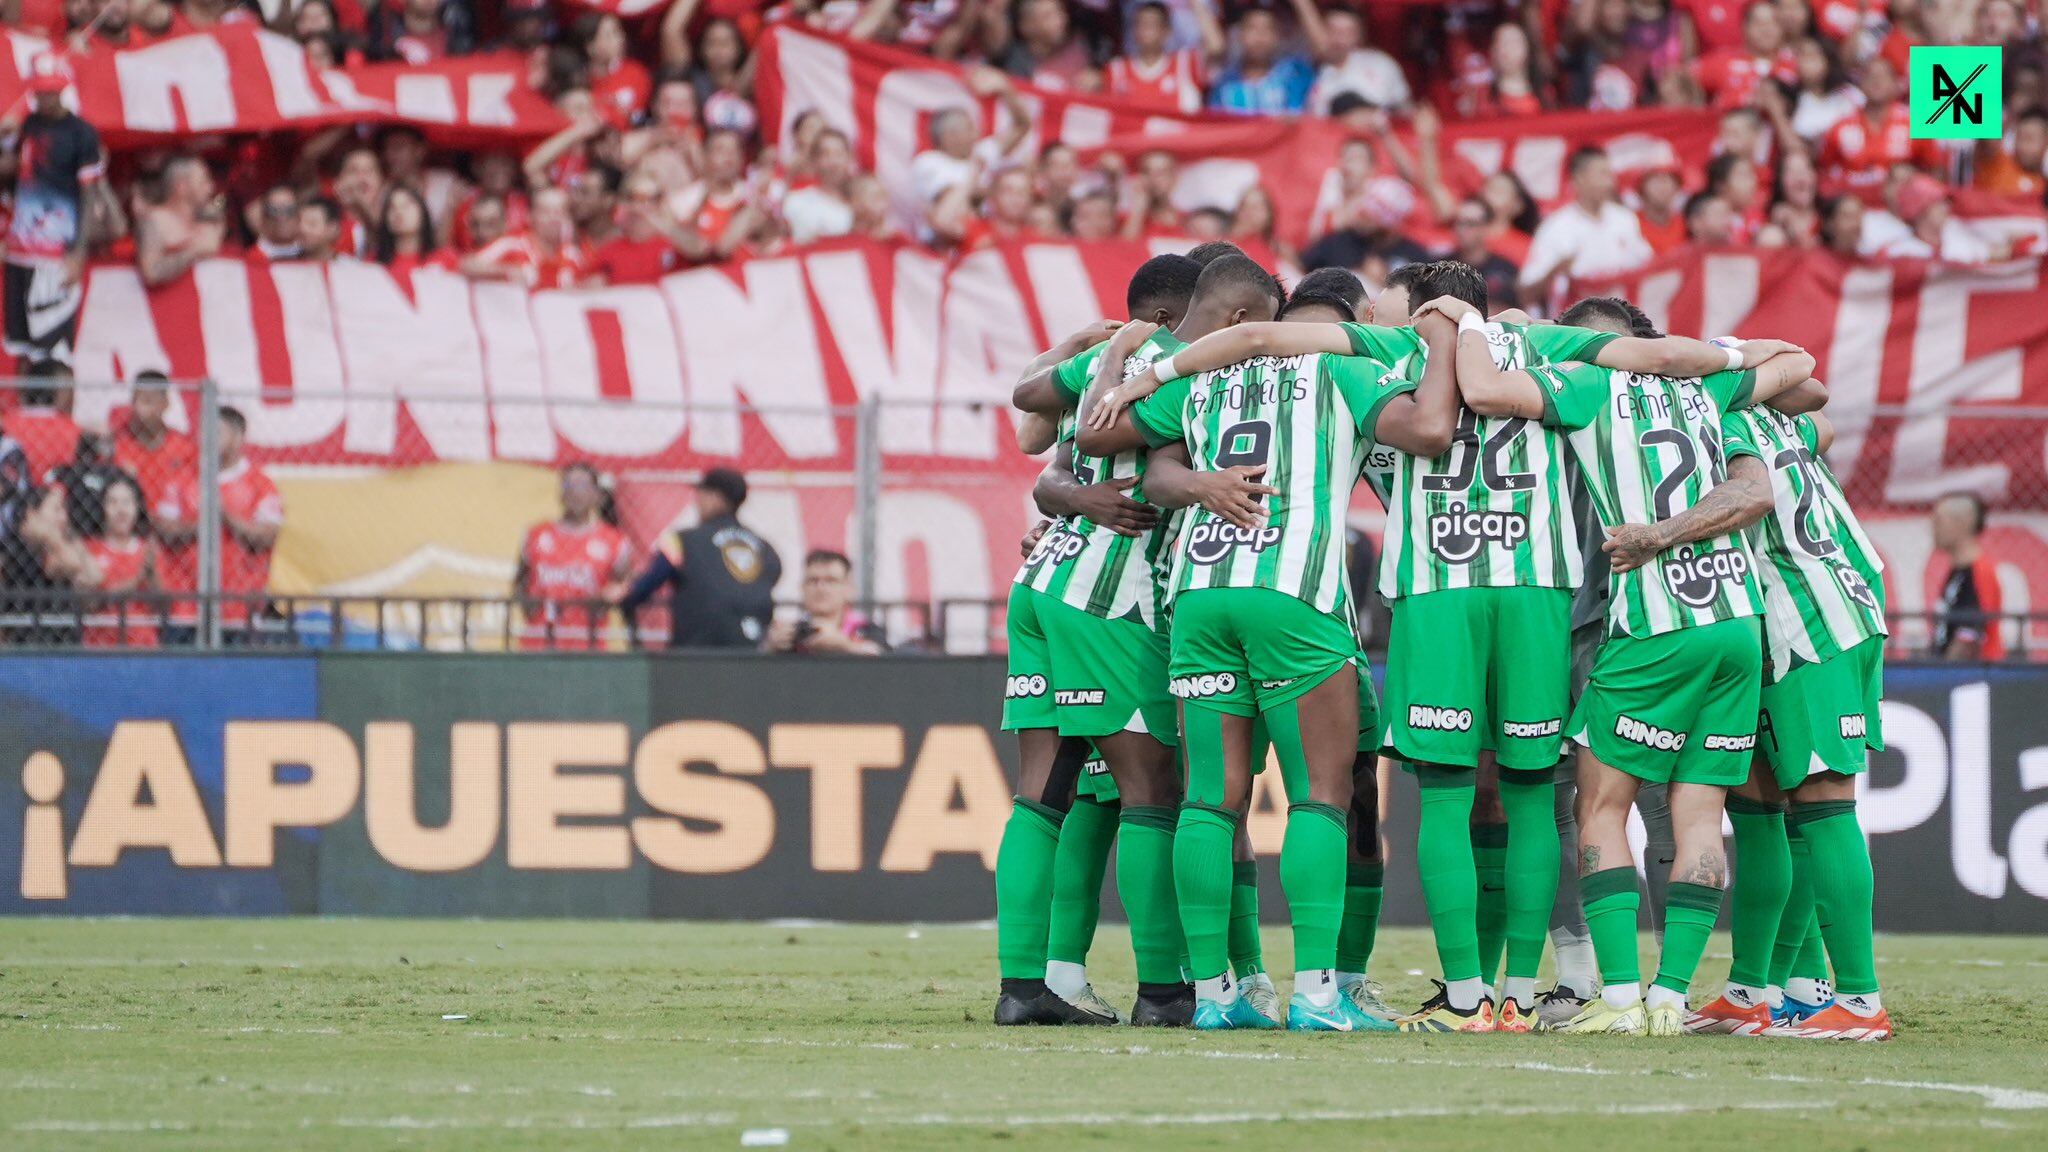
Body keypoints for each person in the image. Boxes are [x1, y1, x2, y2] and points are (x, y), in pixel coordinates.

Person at [1077, 256, 1461, 1033]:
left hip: (1201, 595)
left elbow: (1102, 434)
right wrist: (1448, 341)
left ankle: (1217, 997)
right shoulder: (1342, 369)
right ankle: (1319, 994)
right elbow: (1428, 430)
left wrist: (1123, 360)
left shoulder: (1207, 381)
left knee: (1208, 803)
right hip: (1294, 593)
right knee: (1322, 795)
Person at [1447, 293, 1816, 1036]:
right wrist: (1721, 350)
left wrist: (1475, 324)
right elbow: (1799, 364)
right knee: (1700, 815)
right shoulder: (1701, 385)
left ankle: (1616, 998)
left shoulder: (1585, 386)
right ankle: (1671, 999)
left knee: (1599, 806)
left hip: (1653, 626)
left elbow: (1484, 389)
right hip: (1735, 623)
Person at [998, 253, 1246, 1028]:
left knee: (1044, 794)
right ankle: (1165, 992)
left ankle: (1021, 986)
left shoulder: (1114, 359)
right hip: (1111, 598)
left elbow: (1033, 408)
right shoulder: (1179, 371)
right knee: (1152, 794)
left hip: (1042, 585)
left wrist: (1095, 348)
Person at [1606, 383, 1892, 1041]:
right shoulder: (1766, 415)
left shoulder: (1716, 417)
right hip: (1787, 622)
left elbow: (1755, 491)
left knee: (1822, 803)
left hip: (1813, 622)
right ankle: (1749, 991)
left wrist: (1659, 535)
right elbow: (1824, 415)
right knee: (1759, 810)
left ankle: (1857, 1000)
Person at [3, 53, 103, 366]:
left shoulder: (82, 134)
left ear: (63, 89)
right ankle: (22, 411)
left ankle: (56, 413)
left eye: (51, 90)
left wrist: (78, 254)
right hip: (19, 251)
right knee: (20, 343)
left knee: (54, 349)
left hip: (56, 253)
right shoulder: (27, 125)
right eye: (40, 90)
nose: (45, 97)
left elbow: (89, 196)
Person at [155, 406, 284, 643]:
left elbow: (266, 535)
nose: (206, 438)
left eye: (217, 432)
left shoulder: (261, 484)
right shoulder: (182, 478)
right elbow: (164, 528)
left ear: (238, 437)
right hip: (185, 608)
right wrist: (201, 523)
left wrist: (226, 516)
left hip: (240, 610)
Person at [618, 467, 781, 649]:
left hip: (695, 652)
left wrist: (627, 597)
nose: (697, 501)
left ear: (716, 498)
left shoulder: (681, 540)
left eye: (701, 494)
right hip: (752, 649)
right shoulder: (765, 548)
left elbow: (651, 580)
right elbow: (773, 574)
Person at [514, 463, 633, 651]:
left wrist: (610, 597)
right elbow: (520, 579)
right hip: (540, 643)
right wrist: (529, 607)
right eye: (568, 485)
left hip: (587, 644)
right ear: (560, 493)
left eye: (583, 486)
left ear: (597, 495)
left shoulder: (614, 542)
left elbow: (624, 584)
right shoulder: (536, 535)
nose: (575, 493)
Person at [1519, 146, 1652, 305]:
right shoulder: (1555, 227)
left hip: (1621, 320)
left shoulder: (1625, 219)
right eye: (1603, 174)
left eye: (1610, 174)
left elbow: (1648, 268)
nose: (1610, 182)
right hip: (1574, 323)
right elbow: (1525, 292)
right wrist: (1555, 271)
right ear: (1580, 178)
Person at [80, 474, 159, 648]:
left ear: (137, 507)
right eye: (113, 502)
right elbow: (90, 603)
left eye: (127, 502)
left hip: (142, 645)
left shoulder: (149, 550)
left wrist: (151, 575)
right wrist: (137, 581)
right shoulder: (89, 549)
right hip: (99, 646)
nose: (121, 510)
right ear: (102, 508)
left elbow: (161, 609)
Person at [766, 550, 887, 655]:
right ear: (802, 588)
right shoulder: (793, 634)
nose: (821, 588)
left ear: (849, 588)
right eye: (813, 581)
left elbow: (883, 660)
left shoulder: (866, 629)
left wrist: (845, 646)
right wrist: (769, 648)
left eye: (831, 581)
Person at [1930, 491, 2004, 661]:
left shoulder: (1979, 571)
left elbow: (1969, 638)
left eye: (1939, 521)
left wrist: (1940, 676)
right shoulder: (1957, 571)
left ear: (1963, 523)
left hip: (1973, 678)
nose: (1932, 528)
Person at [135, 155, 228, 287]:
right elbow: (151, 272)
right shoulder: (155, 221)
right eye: (203, 182)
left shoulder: (208, 218)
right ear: (181, 186)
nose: (210, 188)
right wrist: (194, 251)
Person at [110, 371, 196, 513]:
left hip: (174, 529)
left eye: (148, 401)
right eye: (136, 400)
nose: (140, 409)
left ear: (165, 404)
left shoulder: (184, 447)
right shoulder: (119, 445)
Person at [1208, 5, 1317, 116]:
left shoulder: (1295, 76)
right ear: (1240, 35)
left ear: (1277, 37)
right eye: (1252, 29)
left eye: (1267, 29)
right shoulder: (1225, 85)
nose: (1260, 38)